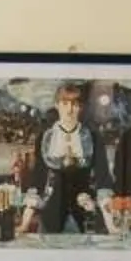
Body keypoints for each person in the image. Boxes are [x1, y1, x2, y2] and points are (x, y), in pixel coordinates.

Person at [32, 81, 106, 238]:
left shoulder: (92, 137)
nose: (70, 109)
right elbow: (38, 176)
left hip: (84, 214)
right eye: (65, 103)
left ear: (80, 107)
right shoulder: (46, 137)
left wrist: (100, 208)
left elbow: (103, 175)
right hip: (51, 214)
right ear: (57, 105)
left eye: (74, 104)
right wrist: (27, 216)